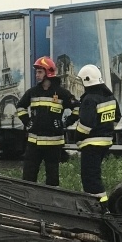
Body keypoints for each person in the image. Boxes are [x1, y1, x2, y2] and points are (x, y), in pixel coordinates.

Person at [16, 56, 79, 186]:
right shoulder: (32, 92)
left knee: (52, 177)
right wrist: (27, 122)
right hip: (34, 143)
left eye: (40, 72)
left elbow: (78, 108)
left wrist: (65, 123)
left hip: (53, 143)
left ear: (48, 73)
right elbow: (20, 107)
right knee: (28, 176)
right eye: (36, 72)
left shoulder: (62, 93)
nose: (37, 75)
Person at [70, 64, 121, 210]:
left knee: (90, 179)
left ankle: (100, 208)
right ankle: (97, 206)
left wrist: (77, 137)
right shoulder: (109, 96)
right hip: (105, 143)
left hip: (91, 144)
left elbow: (86, 125)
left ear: (87, 80)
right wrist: (107, 130)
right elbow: (117, 117)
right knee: (94, 176)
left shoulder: (89, 99)